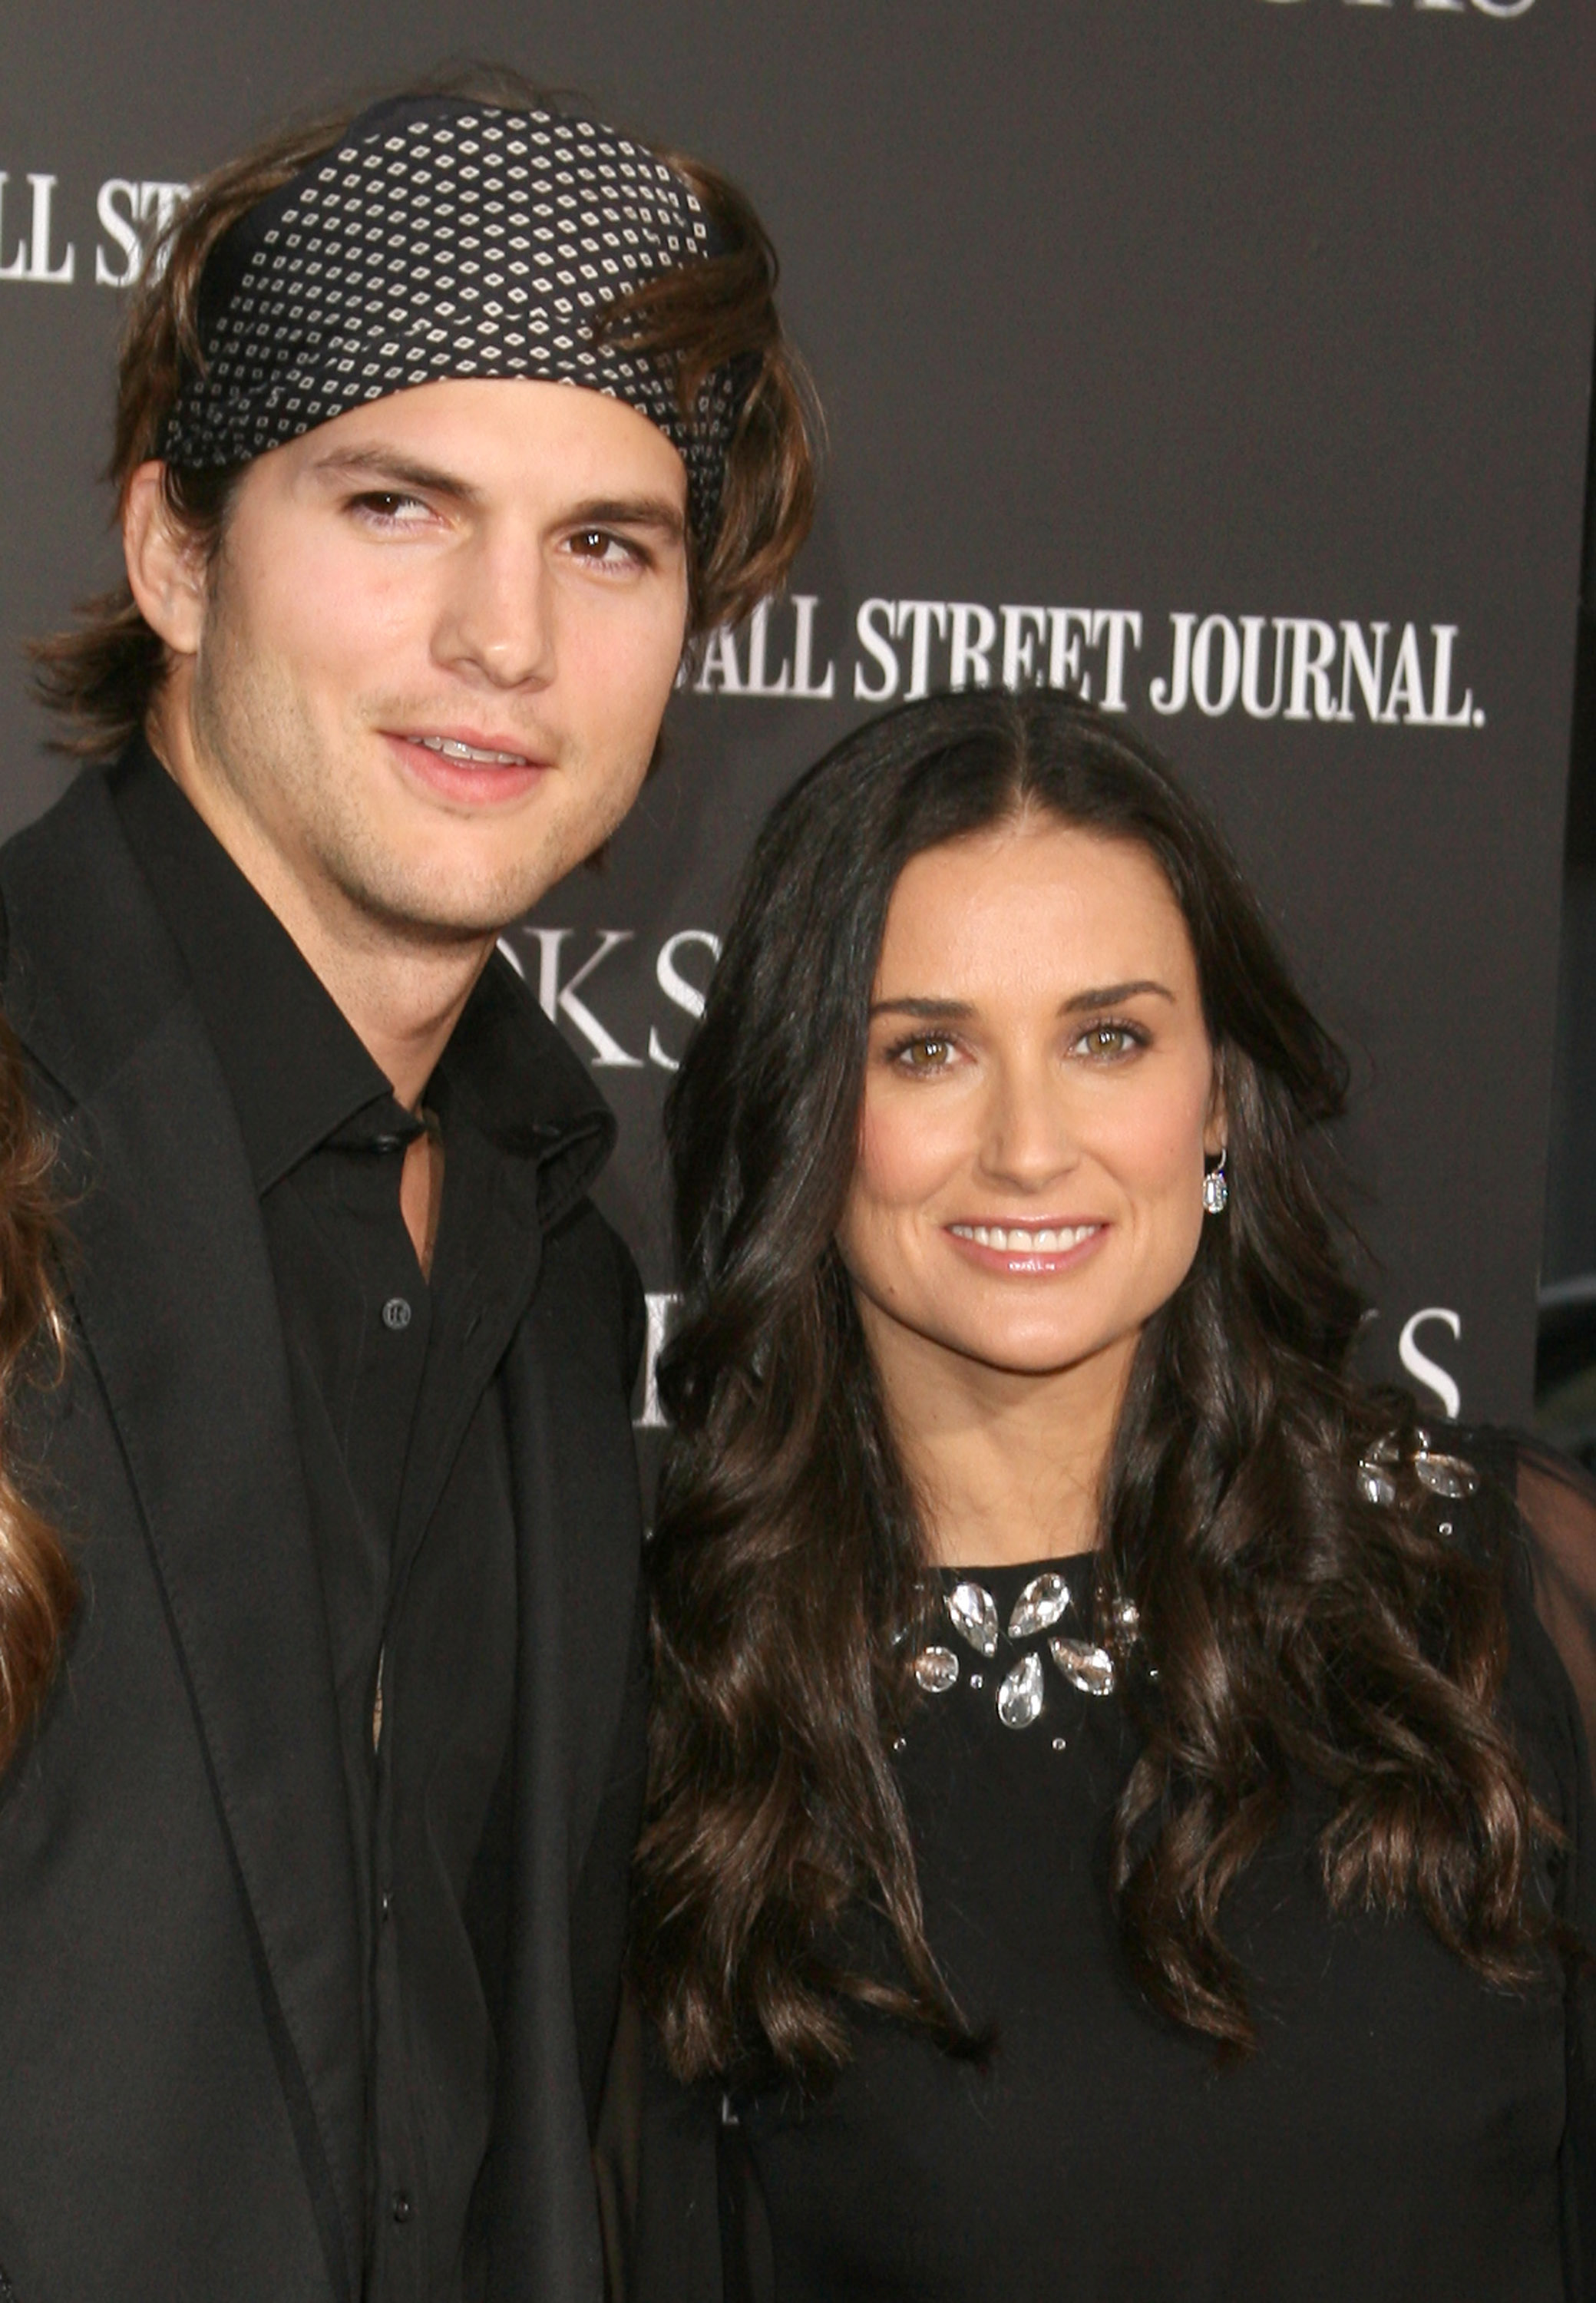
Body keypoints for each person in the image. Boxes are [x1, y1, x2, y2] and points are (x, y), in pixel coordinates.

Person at [0, 68, 814, 2303]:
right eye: (394, 503)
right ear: (175, 550)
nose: (506, 641)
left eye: (607, 544)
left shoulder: (556, 1260)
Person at [629, 688, 1596, 2302]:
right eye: (926, 1049)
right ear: (808, 1112)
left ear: (1212, 1107)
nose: (1027, 1146)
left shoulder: (1497, 1592)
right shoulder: (683, 1693)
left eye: (1106, 1038)